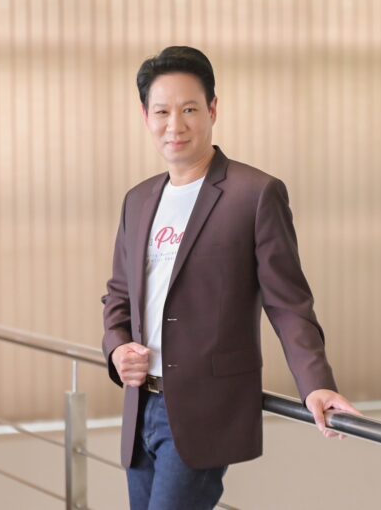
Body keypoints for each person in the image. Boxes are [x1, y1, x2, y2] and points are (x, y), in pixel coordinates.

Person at [101, 46, 360, 510]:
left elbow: (288, 303)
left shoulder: (254, 194)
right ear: (145, 116)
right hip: (141, 409)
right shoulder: (138, 201)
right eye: (162, 112)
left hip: (205, 409)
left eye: (189, 109)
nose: (175, 125)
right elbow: (118, 296)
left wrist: (315, 383)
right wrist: (117, 349)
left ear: (213, 110)